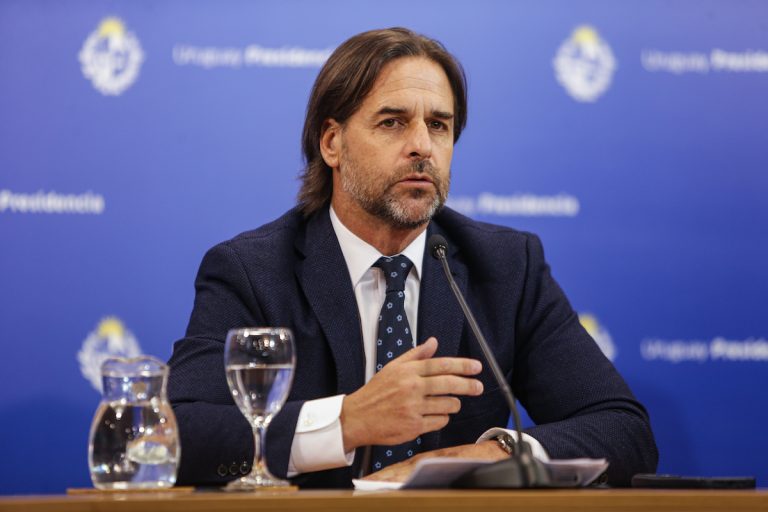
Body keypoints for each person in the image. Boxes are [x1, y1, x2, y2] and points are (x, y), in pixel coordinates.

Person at [167, 27, 658, 488]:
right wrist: (348, 421)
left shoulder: (507, 266)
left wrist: (495, 455)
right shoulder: (252, 271)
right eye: (392, 122)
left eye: (439, 125)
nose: (422, 146)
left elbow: (623, 430)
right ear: (332, 143)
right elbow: (181, 434)